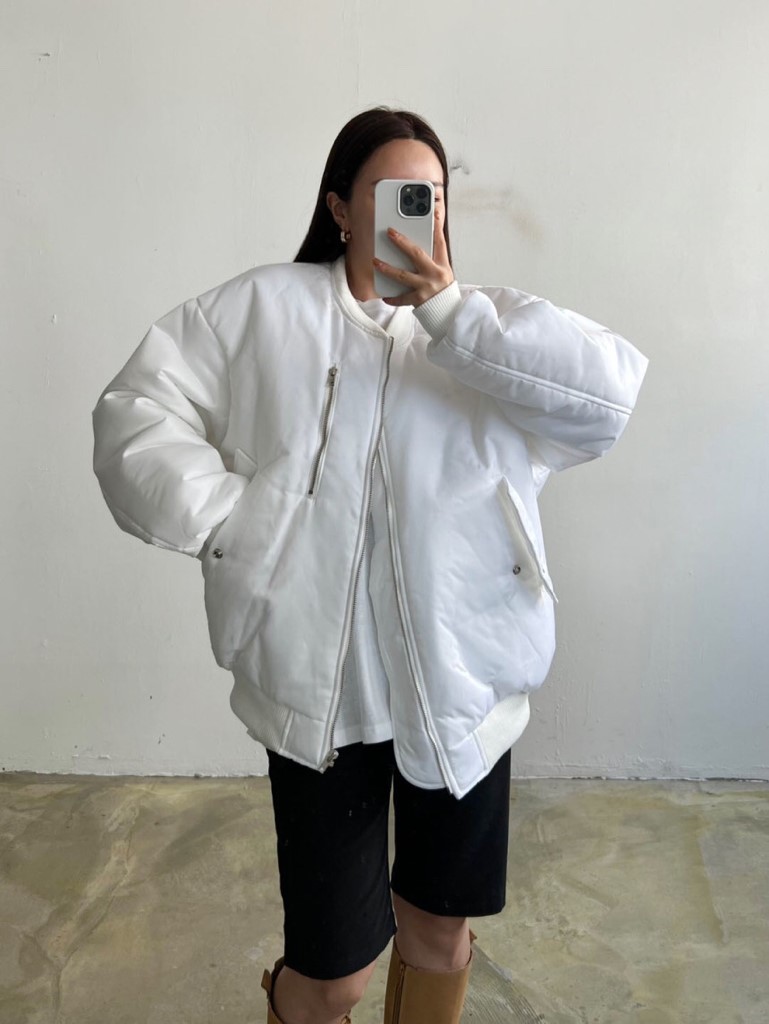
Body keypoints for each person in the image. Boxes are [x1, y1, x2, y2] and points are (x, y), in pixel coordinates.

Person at [92, 107, 648, 1024]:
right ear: (341, 209)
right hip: (322, 698)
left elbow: (608, 402)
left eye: (430, 196)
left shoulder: (484, 333)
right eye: (393, 193)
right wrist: (236, 522)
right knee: (334, 976)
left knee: (438, 935)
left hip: (461, 695)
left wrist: (452, 315)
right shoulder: (262, 312)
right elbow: (135, 412)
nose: (415, 213)